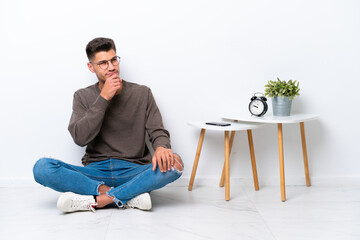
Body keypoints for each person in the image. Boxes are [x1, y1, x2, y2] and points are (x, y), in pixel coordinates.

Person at [33, 37, 183, 213]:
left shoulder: (142, 93)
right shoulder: (82, 96)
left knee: (176, 163)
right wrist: (103, 98)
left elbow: (157, 130)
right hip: (96, 173)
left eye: (113, 60)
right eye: (103, 63)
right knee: (42, 168)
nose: (111, 67)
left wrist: (161, 147)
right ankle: (127, 196)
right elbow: (80, 138)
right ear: (91, 67)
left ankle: (100, 201)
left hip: (133, 170)